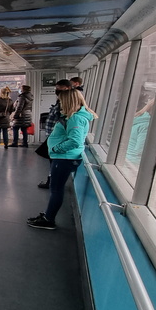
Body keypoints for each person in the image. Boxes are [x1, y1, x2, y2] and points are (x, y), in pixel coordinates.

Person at [27, 89, 97, 229]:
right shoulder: (76, 116)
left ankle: (49, 220)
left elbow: (75, 141)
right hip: (65, 157)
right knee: (56, 188)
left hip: (64, 158)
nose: (59, 103)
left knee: (56, 189)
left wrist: (55, 149)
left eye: (61, 100)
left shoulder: (75, 118)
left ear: (67, 101)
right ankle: (48, 215)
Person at [38, 79, 73, 189]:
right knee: (52, 160)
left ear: (67, 88)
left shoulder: (66, 104)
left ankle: (53, 182)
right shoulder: (60, 101)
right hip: (53, 136)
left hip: (57, 137)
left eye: (59, 88)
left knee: (54, 161)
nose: (57, 90)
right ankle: (52, 181)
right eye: (56, 88)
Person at [125, 97, 154, 166]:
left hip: (128, 159)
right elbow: (140, 150)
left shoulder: (140, 118)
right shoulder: (147, 125)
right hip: (135, 164)